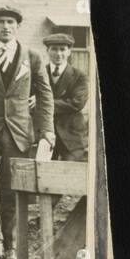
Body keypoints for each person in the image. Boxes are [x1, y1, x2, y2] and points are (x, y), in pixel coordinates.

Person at [0, 6, 53, 259]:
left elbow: (45, 93)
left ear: (18, 26)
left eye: (10, 22)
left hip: (18, 132)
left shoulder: (32, 56)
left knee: (11, 188)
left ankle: (12, 243)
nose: (6, 27)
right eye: (0, 22)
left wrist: (47, 129)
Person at [44, 33, 88, 163]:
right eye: (54, 49)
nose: (58, 54)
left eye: (62, 49)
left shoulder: (79, 76)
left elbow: (77, 103)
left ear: (69, 51)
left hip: (71, 135)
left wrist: (45, 103)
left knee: (70, 174)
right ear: (47, 51)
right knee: (42, 174)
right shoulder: (39, 73)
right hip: (45, 134)